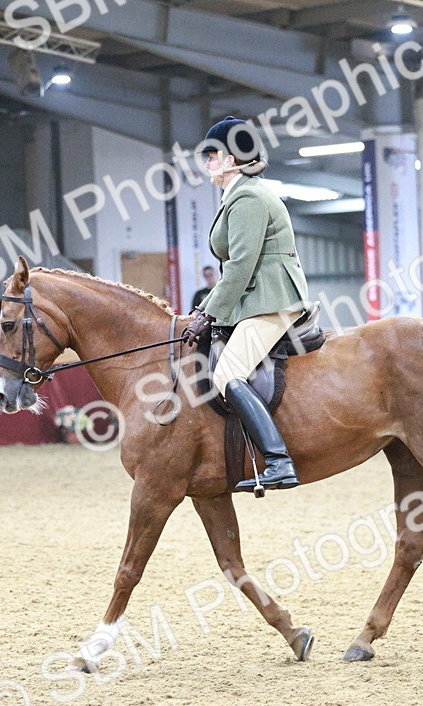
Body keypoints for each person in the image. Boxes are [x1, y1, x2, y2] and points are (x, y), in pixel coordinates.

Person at [181, 116, 311, 492]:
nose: (207, 161)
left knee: (226, 374)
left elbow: (239, 266)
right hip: (255, 299)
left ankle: (278, 461)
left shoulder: (249, 198)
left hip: (271, 299)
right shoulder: (237, 196)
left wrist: (206, 312)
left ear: (233, 159)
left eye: (212, 154)